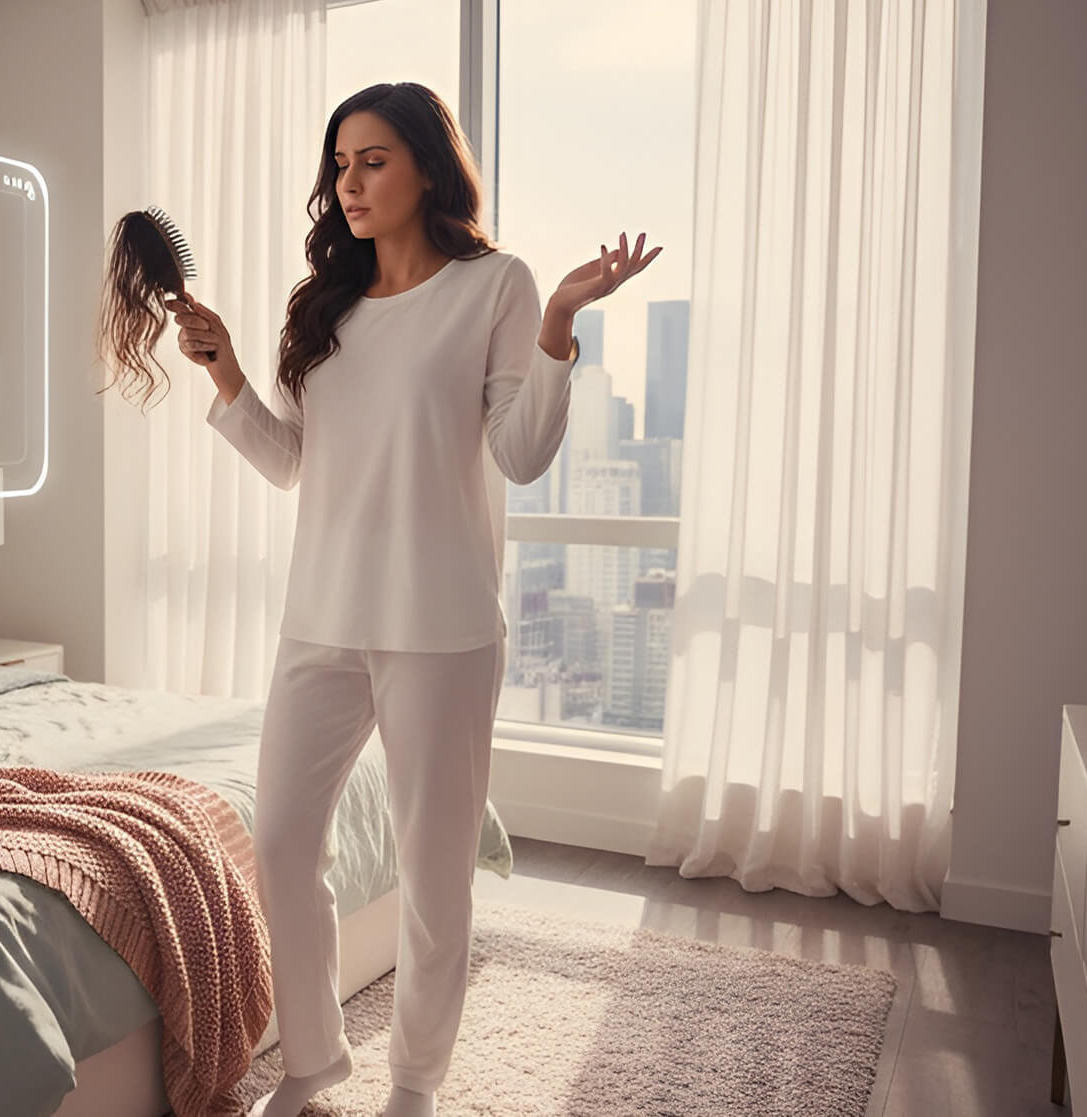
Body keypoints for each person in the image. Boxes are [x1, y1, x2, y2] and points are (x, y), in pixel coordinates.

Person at [168, 82, 657, 1117]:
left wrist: (561, 325)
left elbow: (521, 455)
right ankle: (312, 1060)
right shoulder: (327, 308)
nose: (347, 182)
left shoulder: (495, 286)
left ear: (427, 168)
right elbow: (293, 462)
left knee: (436, 879)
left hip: (438, 627)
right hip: (319, 619)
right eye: (339, 163)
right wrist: (225, 376)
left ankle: (415, 1085)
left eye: (372, 160)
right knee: (284, 845)